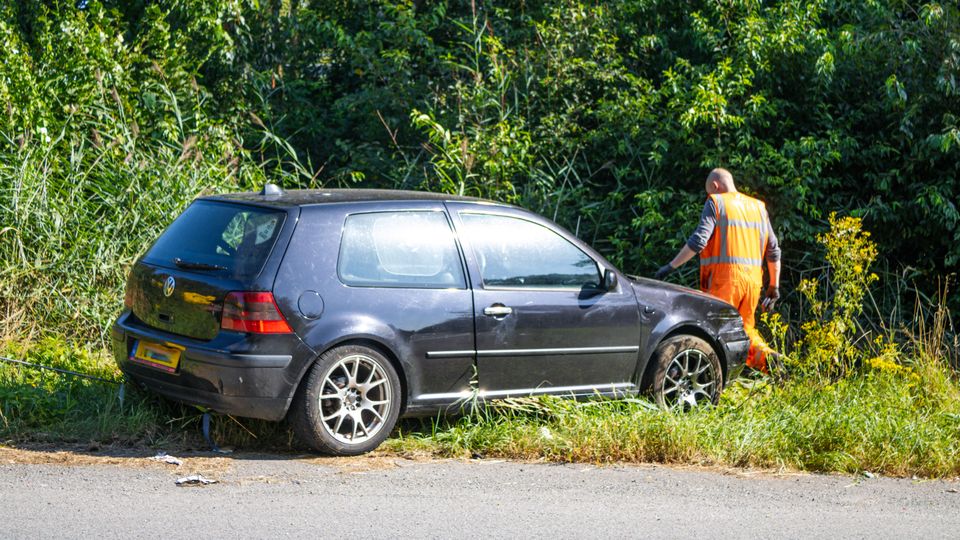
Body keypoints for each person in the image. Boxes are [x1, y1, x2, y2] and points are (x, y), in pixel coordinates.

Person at [654, 168, 783, 375]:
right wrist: (773, 286)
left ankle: (711, 379)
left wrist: (670, 267)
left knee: (713, 332)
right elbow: (773, 250)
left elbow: (698, 241)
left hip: (726, 282)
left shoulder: (716, 202)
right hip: (753, 283)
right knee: (745, 331)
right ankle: (772, 361)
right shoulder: (759, 207)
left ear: (715, 186)